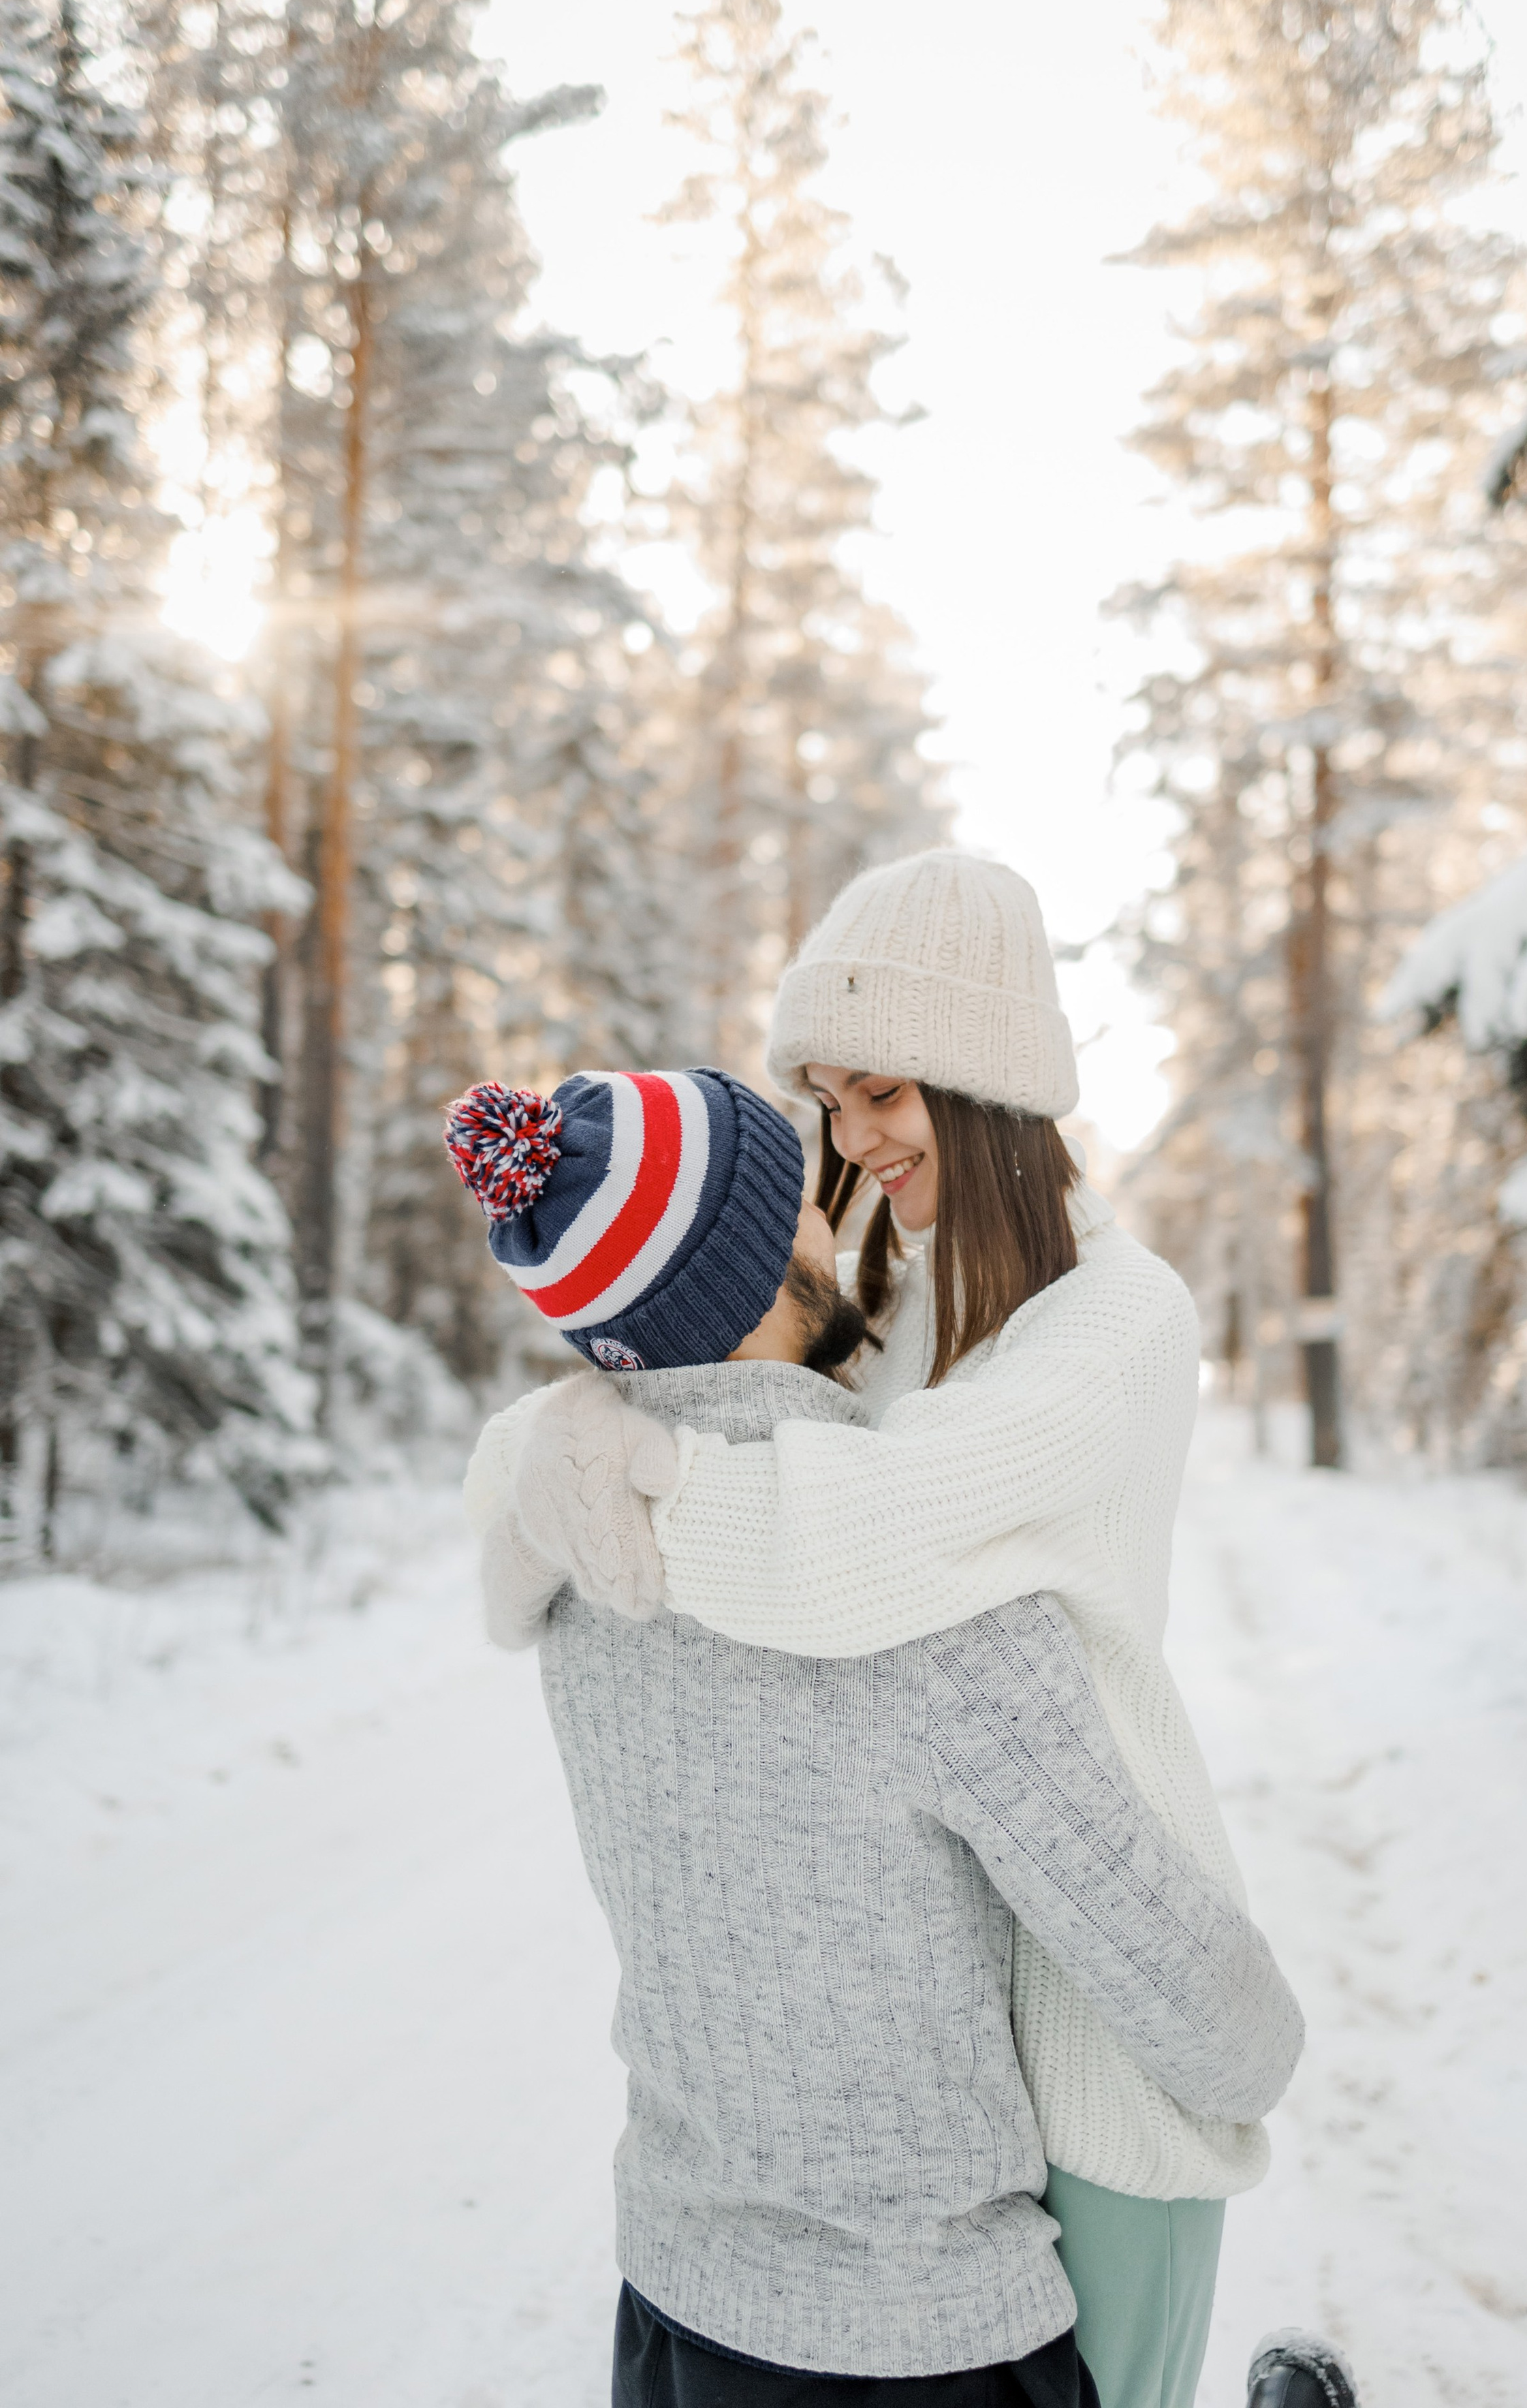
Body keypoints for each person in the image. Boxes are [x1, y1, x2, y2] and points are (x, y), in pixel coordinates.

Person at [471, 851, 1282, 2408]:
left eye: (884, 1093)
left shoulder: (1119, 1325)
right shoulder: (883, 1286)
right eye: (826, 1100)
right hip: (939, 2008)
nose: (851, 1140)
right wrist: (550, 1447)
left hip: (1098, 2007)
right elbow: (715, 1397)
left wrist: (604, 1472)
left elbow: (863, 1535)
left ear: (986, 1080)